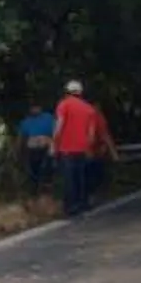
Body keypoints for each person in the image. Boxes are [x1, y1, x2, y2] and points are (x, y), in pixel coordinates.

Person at [52, 79, 100, 217]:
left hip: (66, 148)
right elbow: (91, 133)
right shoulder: (89, 108)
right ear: (80, 92)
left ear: (67, 92)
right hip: (83, 148)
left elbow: (59, 125)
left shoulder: (64, 105)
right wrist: (88, 147)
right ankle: (83, 203)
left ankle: (71, 207)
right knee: (82, 176)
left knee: (69, 178)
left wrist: (54, 143)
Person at [86, 101, 121, 202]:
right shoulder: (92, 116)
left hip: (94, 151)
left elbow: (105, 135)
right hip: (85, 151)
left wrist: (112, 152)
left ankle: (93, 195)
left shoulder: (97, 117)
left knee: (95, 173)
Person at [17, 105, 55, 196]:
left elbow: (56, 132)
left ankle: (47, 189)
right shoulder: (26, 122)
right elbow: (21, 137)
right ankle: (35, 190)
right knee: (34, 170)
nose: (35, 109)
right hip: (33, 149)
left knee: (47, 168)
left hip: (47, 146)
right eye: (32, 108)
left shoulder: (48, 118)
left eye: (36, 107)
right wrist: (19, 150)